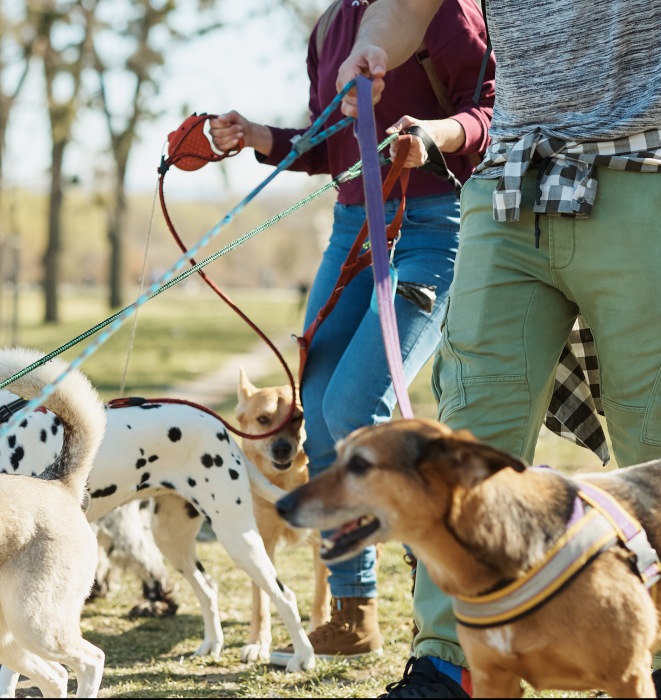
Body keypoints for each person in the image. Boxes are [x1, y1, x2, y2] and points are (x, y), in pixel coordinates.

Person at [333, 0, 661, 697]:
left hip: (641, 168)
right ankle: (449, 662)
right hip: (509, 182)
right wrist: (373, 45)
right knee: (468, 432)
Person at [207, 0, 495, 665]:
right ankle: (353, 612)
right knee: (317, 400)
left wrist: (434, 135)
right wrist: (257, 135)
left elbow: (488, 111)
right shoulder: (331, 24)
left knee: (352, 407)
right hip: (351, 229)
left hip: (431, 228)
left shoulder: (447, 11)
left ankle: (422, 567)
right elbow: (329, 141)